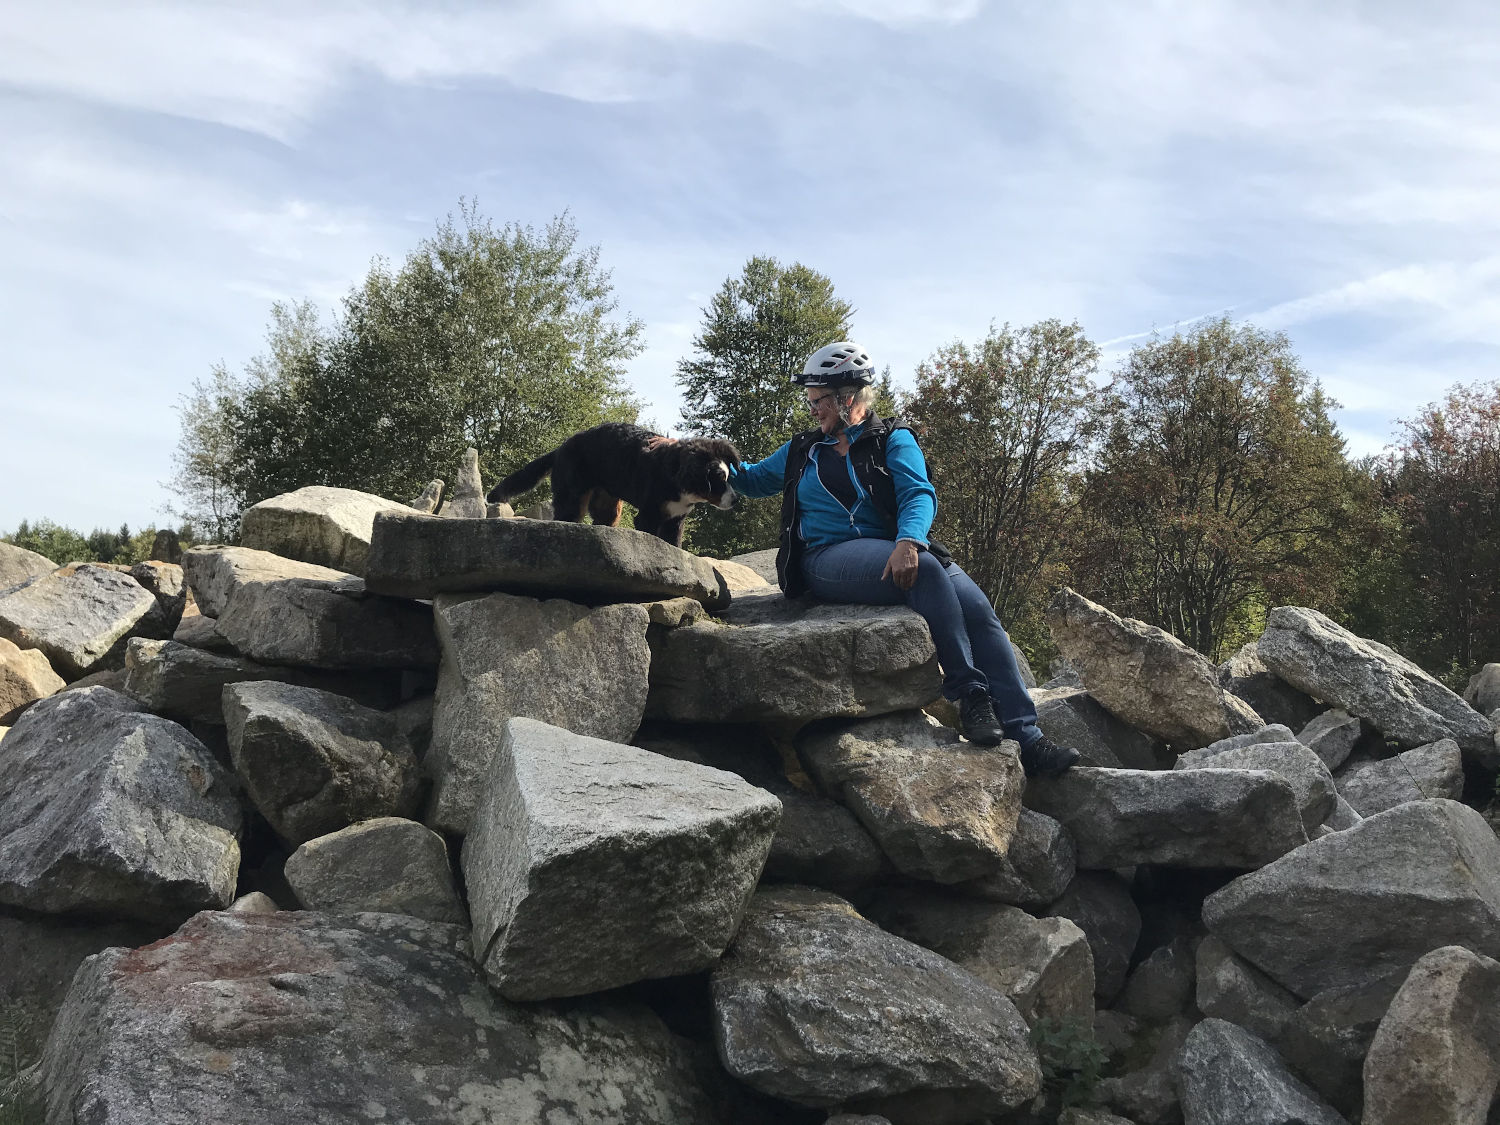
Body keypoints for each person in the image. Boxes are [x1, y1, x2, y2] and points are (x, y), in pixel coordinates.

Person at [713, 341, 1079, 776]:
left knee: (980, 611)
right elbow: (751, 480)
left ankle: (1027, 738)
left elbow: (918, 494)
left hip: (895, 547)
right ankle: (970, 694)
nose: (812, 409)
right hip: (825, 558)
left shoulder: (893, 438)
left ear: (847, 397)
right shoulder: (801, 449)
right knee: (926, 571)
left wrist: (909, 540)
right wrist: (692, 452)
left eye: (818, 400)